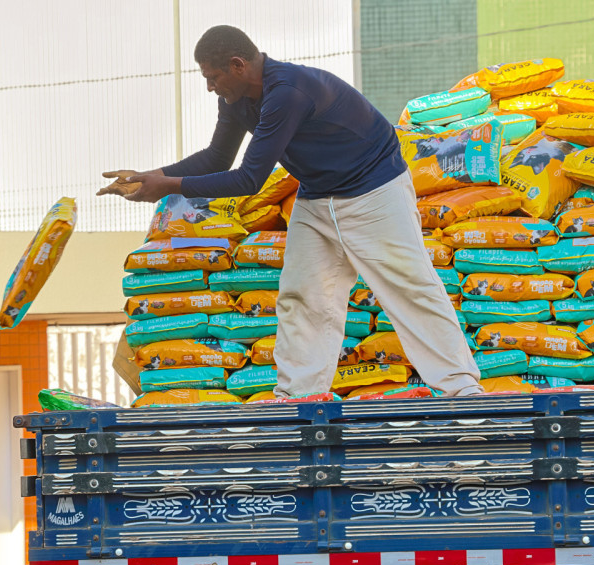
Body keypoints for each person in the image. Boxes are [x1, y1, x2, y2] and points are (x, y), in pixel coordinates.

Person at [111, 26, 482, 399]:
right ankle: (299, 396)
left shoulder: (288, 92)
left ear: (237, 65)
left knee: (409, 287)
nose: (210, 87)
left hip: (375, 189)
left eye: (212, 76)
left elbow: (250, 178)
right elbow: (217, 158)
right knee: (302, 295)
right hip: (318, 194)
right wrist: (153, 177)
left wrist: (170, 187)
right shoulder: (235, 99)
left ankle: (461, 388)